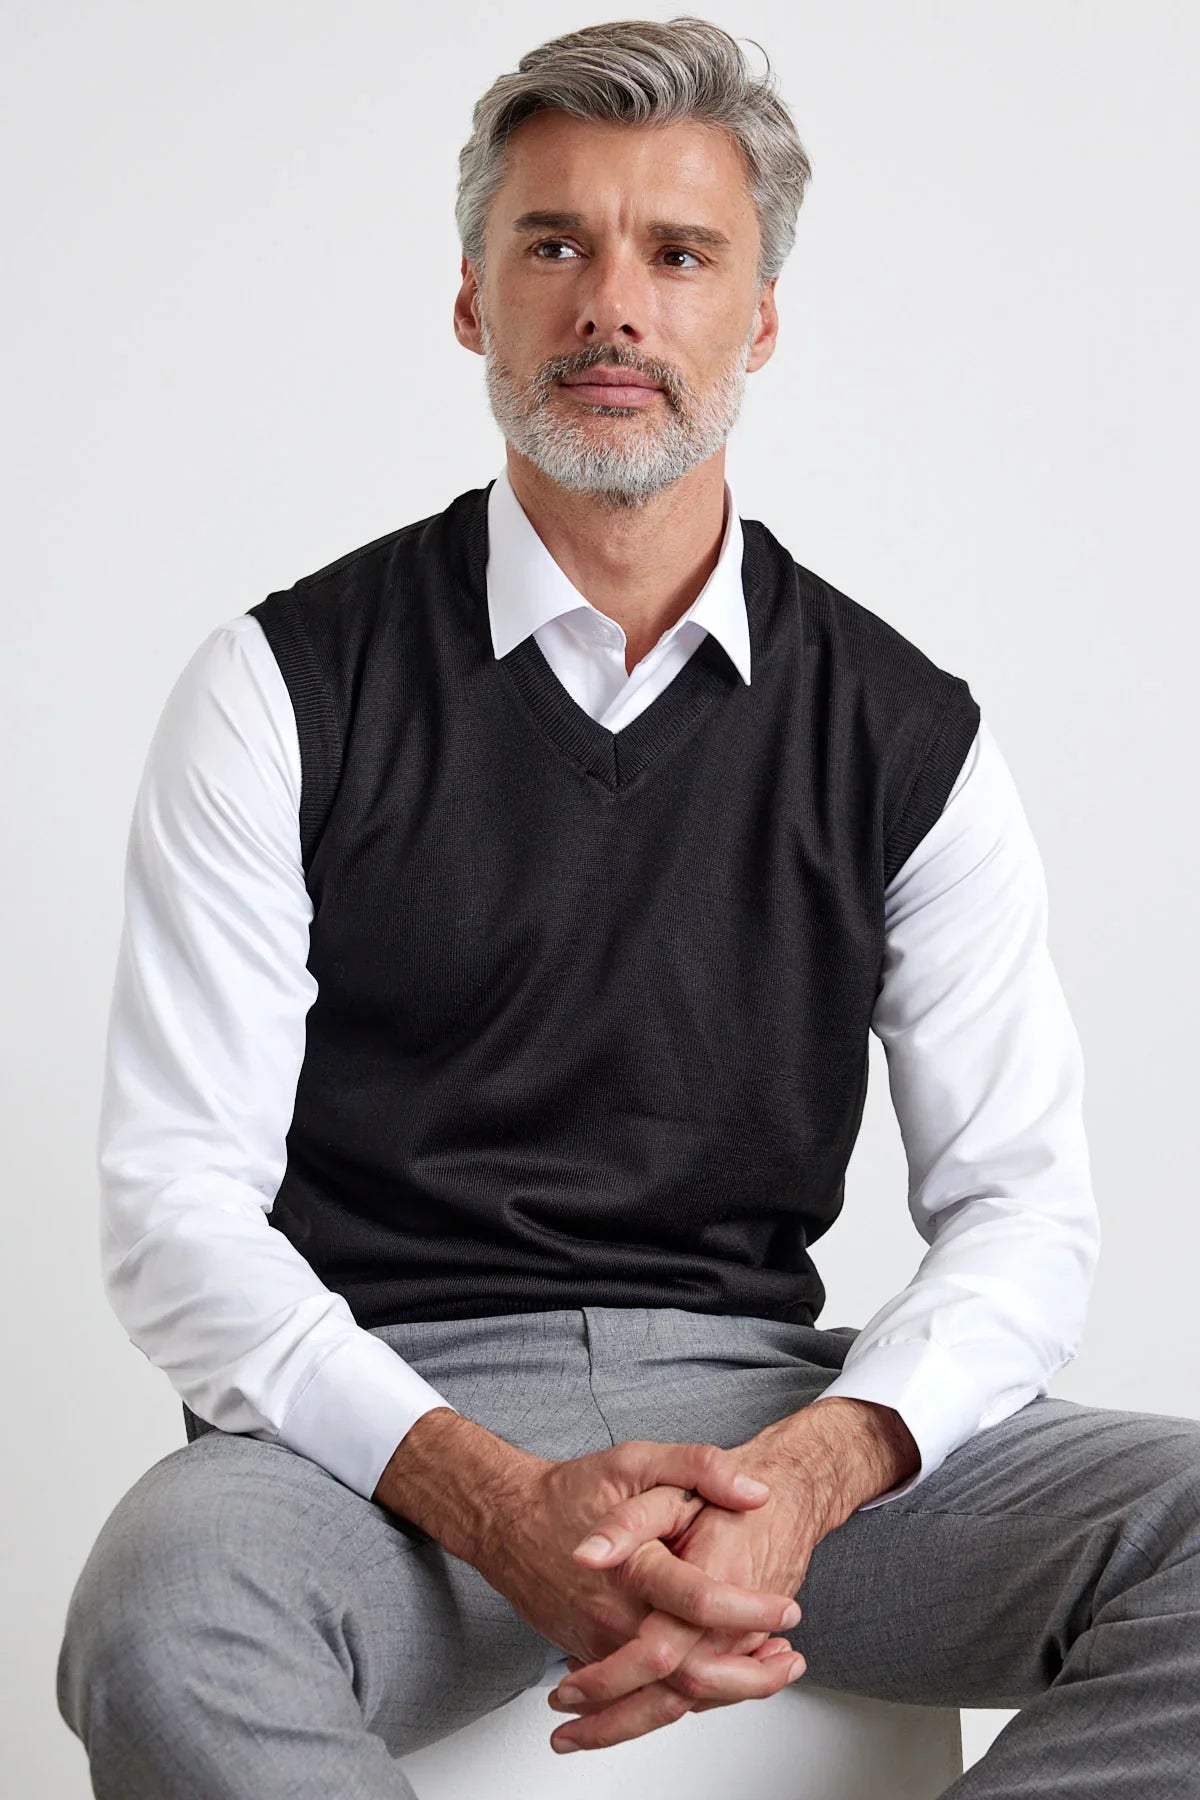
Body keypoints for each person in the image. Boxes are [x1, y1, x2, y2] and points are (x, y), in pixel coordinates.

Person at [56, 16, 1198, 1798]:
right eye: (554, 245)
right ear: (473, 301)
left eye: (677, 254)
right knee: (161, 1621)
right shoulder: (282, 688)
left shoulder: (906, 734)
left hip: (764, 1417)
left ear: (759, 319)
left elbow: (1024, 1216)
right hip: (382, 1434)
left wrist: (815, 1470)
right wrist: (483, 1494)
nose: (613, 307)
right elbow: (174, 1210)